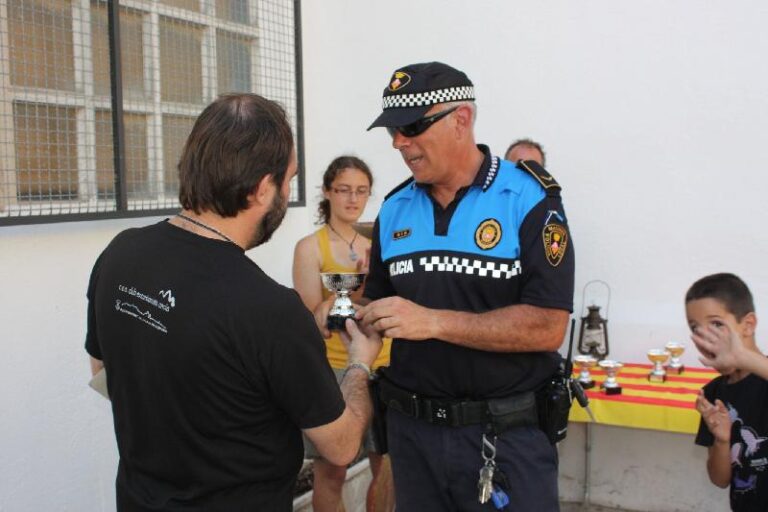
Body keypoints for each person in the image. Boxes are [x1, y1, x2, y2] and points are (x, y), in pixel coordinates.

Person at [84, 94, 382, 511]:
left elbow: (102, 369)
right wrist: (360, 364)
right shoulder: (272, 311)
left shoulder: (121, 254)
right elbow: (342, 445)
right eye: (288, 179)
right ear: (263, 189)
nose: (287, 191)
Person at [359, 61, 575, 510]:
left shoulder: (530, 199)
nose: (401, 141)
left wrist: (434, 322)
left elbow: (547, 326)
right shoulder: (395, 208)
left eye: (413, 126)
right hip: (413, 438)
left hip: (505, 439)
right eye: (393, 131)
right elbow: (377, 304)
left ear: (462, 119)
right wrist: (344, 311)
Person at [292, 156, 394, 512]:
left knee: (386, 467)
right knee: (331, 472)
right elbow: (311, 318)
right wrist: (355, 289)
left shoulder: (382, 244)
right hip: (333, 370)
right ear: (327, 192)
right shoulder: (310, 247)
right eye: (344, 190)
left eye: (361, 191)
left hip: (384, 366)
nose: (353, 199)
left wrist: (365, 287)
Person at [688, 273, 767, 512]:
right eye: (695, 328)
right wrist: (722, 440)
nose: (706, 337)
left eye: (717, 324)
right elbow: (720, 480)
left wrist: (743, 356)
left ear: (748, 325)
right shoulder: (713, 393)